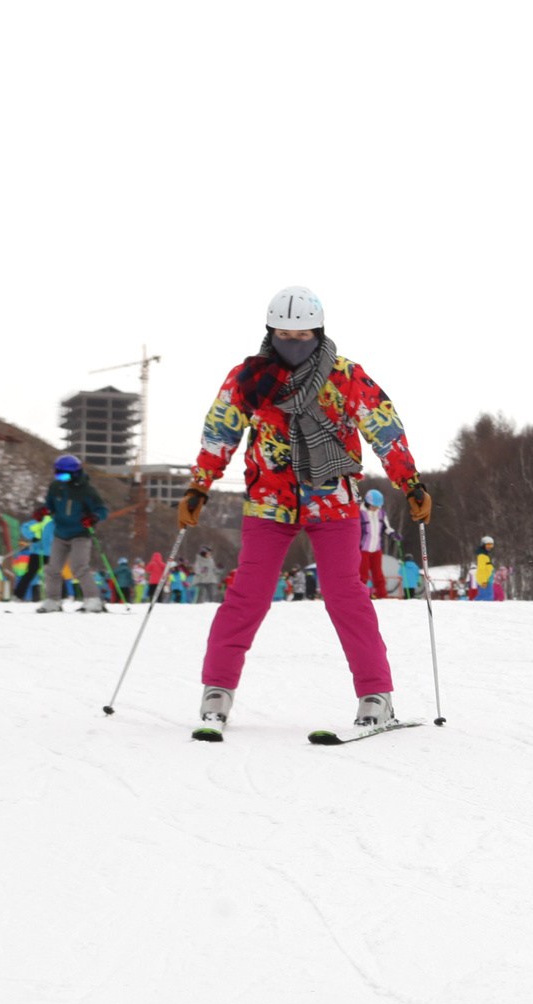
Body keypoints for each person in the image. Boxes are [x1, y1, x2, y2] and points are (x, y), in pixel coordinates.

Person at [178, 285, 429, 738]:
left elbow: (384, 427)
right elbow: (220, 430)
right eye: (284, 337)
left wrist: (408, 481)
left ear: (320, 332)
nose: (294, 345)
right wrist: (200, 485)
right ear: (269, 333)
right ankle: (217, 689)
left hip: (331, 499)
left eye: (304, 336)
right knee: (248, 594)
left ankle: (376, 695)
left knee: (345, 594)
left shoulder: (346, 376)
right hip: (269, 500)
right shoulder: (248, 378)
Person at [33, 455, 110, 613]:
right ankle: (53, 600)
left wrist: (93, 517)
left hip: (80, 534)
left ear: (75, 473)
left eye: (64, 475)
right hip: (60, 533)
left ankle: (93, 599)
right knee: (53, 568)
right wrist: (43, 511)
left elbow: (102, 510)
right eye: (58, 474)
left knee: (79, 567)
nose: (61, 478)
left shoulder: (87, 491)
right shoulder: (56, 486)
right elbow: (50, 505)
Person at [358, 489, 390, 598]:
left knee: (378, 574)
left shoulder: (381, 513)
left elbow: (386, 527)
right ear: (367, 502)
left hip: (376, 549)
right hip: (363, 549)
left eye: (378, 506)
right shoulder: (360, 513)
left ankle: (382, 595)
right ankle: (361, 596)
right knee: (363, 575)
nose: (376, 508)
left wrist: (392, 533)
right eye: (374, 506)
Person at [471, 536, 498, 601]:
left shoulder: (485, 555)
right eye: (488, 545)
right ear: (483, 545)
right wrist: (483, 581)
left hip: (488, 579)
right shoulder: (482, 556)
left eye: (491, 545)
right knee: (486, 598)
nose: (489, 547)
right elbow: (481, 569)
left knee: (487, 597)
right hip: (485, 580)